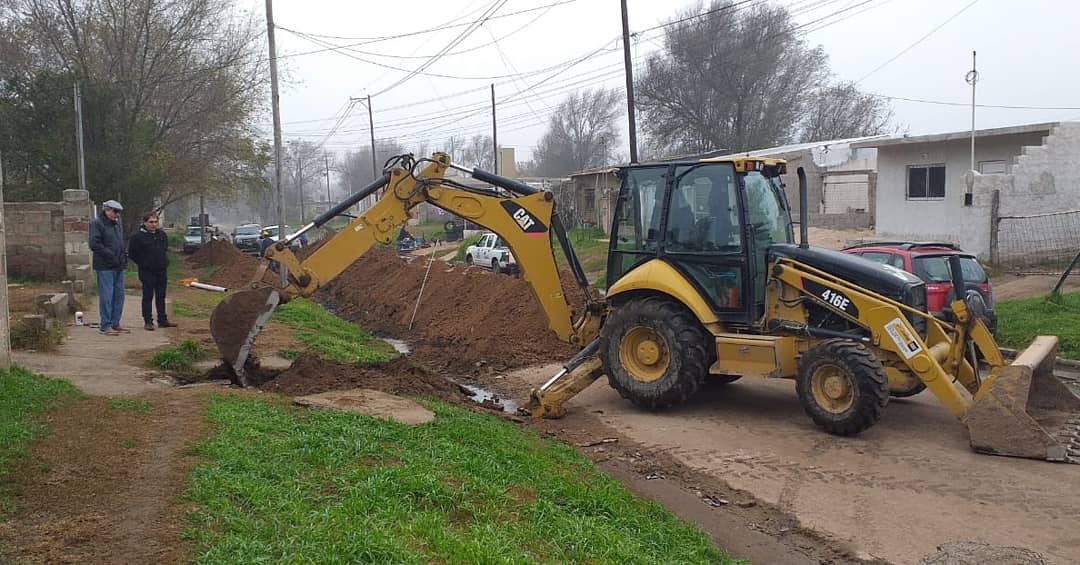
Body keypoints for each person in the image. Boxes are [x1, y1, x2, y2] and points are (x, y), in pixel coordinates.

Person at [127, 212, 178, 331]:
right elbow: (132, 254)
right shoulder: (138, 237)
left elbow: (165, 249)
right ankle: (148, 321)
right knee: (148, 296)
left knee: (161, 296)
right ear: (145, 223)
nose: (154, 224)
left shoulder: (161, 235)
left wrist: (164, 262)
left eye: (156, 222)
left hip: (161, 270)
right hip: (147, 271)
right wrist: (143, 263)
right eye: (151, 222)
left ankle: (162, 320)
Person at [88, 199, 129, 335]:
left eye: (119, 212)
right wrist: (111, 255)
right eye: (115, 211)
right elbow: (94, 244)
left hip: (118, 265)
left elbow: (119, 243)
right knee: (107, 296)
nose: (117, 215)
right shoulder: (97, 224)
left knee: (119, 296)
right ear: (107, 210)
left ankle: (115, 323)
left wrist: (123, 256)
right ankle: (106, 325)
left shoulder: (116, 224)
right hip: (105, 266)